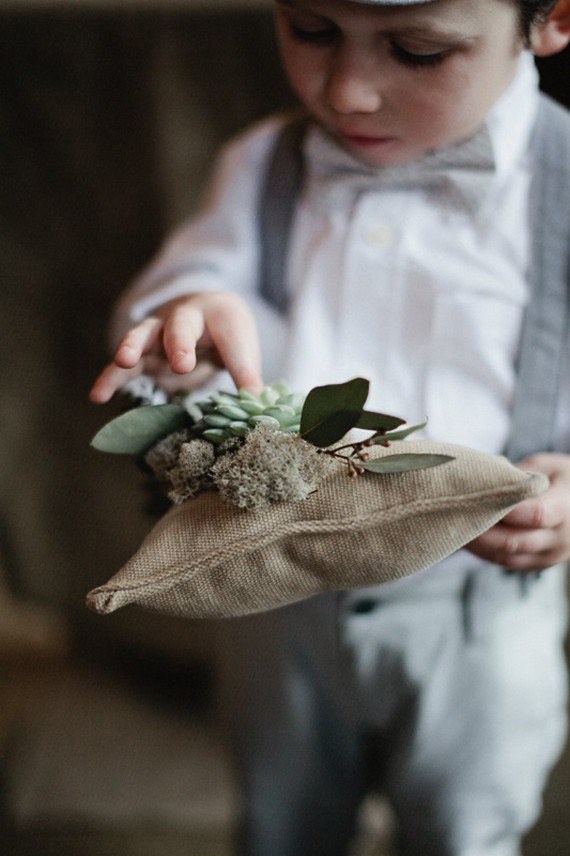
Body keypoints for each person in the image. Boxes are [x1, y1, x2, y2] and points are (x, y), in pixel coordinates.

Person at [91, 1, 570, 853]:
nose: (347, 92)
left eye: (418, 50)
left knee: (466, 827)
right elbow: (179, 308)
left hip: (474, 617)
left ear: (551, 20)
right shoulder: (261, 163)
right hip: (275, 597)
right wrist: (188, 317)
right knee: (282, 817)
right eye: (311, 31)